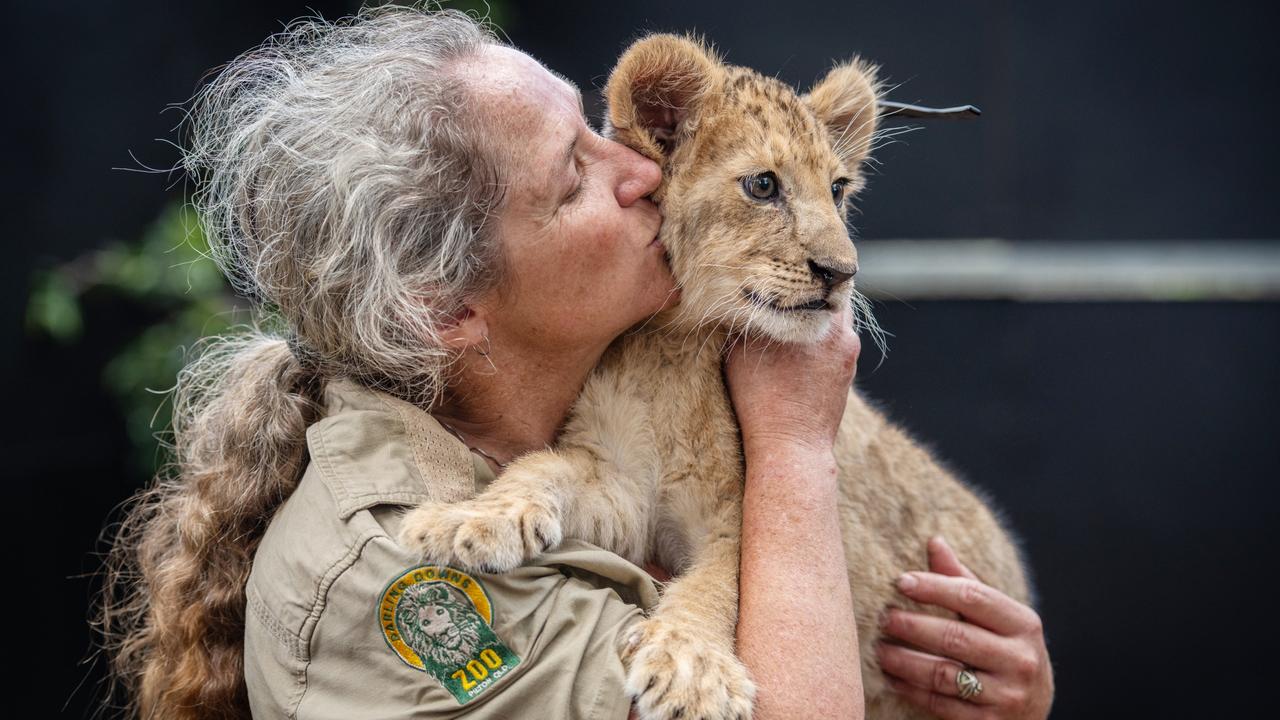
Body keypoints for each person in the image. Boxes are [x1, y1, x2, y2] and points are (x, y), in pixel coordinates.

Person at [93, 6, 1052, 720]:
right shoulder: (400, 576)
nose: (646, 171)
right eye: (575, 175)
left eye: (608, 134)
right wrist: (797, 452)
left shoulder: (626, 392)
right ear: (446, 306)